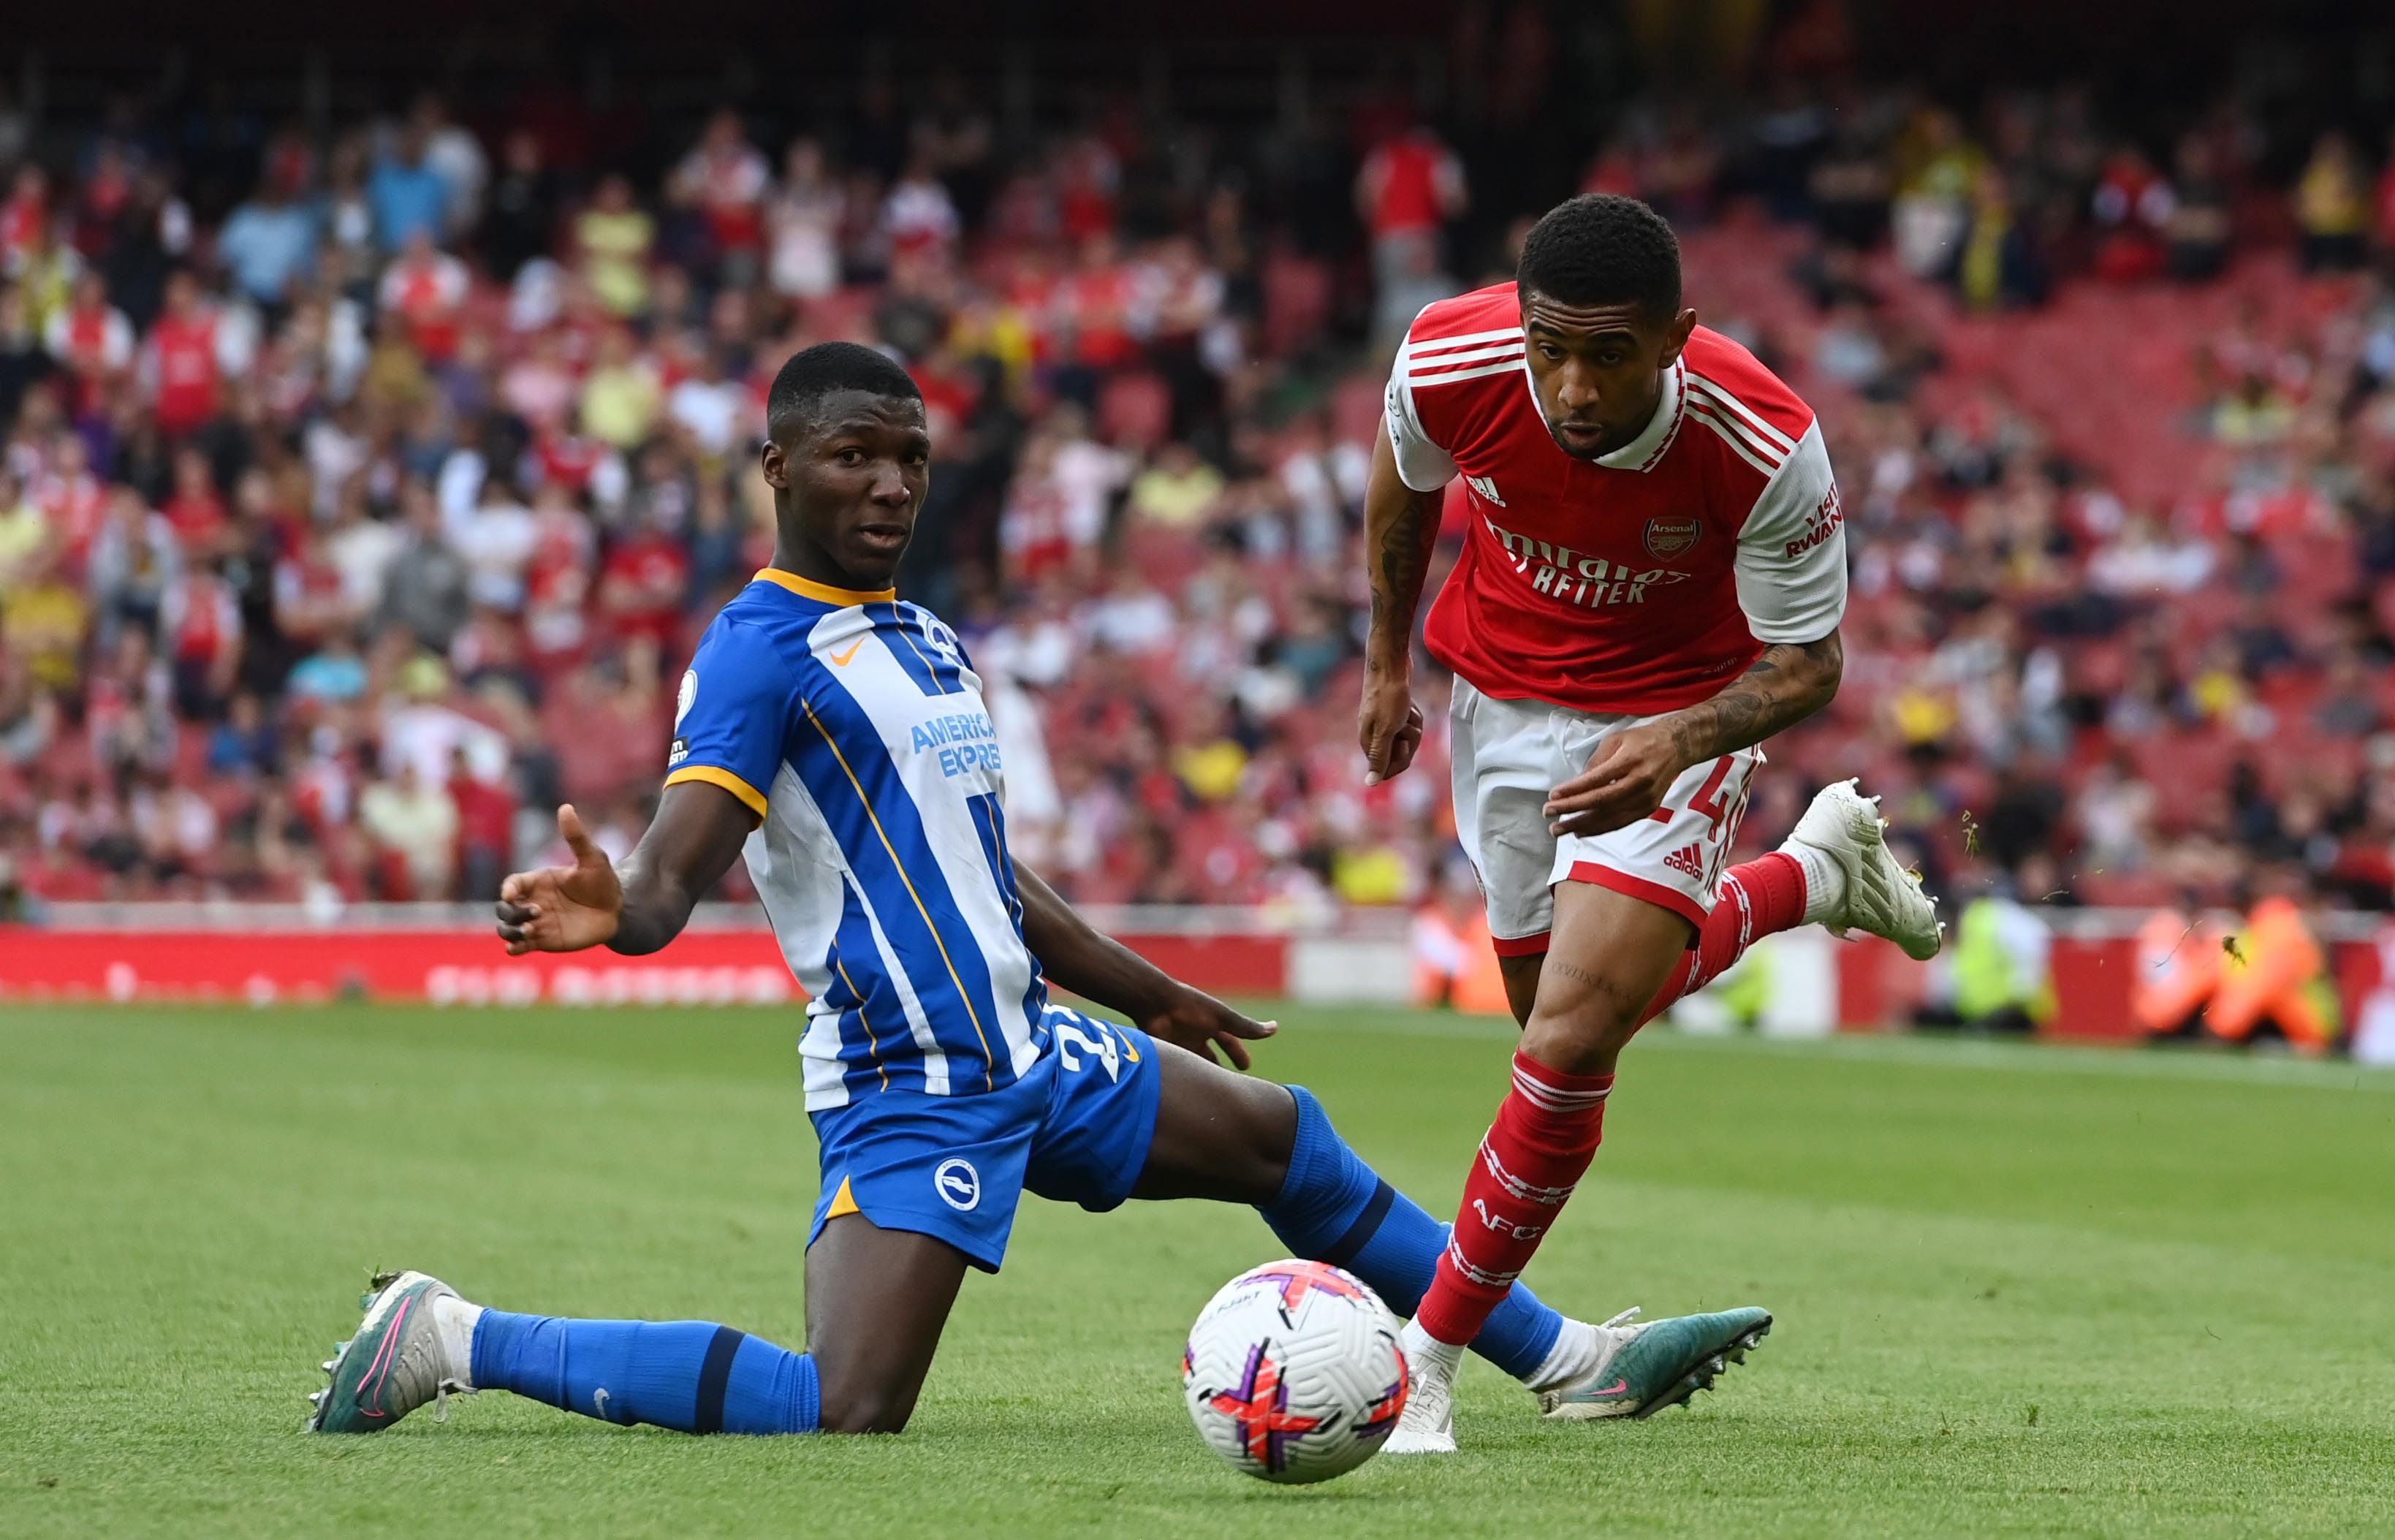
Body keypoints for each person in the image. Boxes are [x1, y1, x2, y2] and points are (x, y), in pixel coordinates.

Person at [304, 343, 1770, 1439]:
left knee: (1283, 1141)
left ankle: (1570, 1362)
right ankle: (452, 1333)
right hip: (914, 1078)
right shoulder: (758, 652)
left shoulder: (927, 639)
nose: (887, 484)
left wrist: (1141, 988)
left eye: (908, 460)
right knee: (843, 1407)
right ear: (780, 474)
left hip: (1030, 1045)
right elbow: (678, 876)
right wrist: (610, 905)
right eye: (852, 458)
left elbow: (982, 865)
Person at [1356, 194, 1945, 1453]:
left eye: (1608, 355)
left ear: (1676, 336)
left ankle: (1427, 1365)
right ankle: (1806, 881)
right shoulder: (1449, 358)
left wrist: (1680, 741)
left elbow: (1809, 662)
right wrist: (1382, 668)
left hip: (1677, 711)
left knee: (1566, 1041)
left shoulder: (1764, 438)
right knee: (1551, 1012)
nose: (1571, 388)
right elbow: (1403, 492)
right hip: (1500, 705)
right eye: (1548, 348)